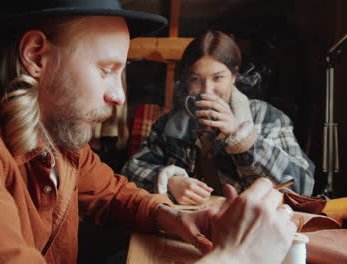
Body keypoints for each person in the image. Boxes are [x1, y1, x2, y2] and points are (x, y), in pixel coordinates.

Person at [0, 1, 296, 263]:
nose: (118, 96)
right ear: (36, 56)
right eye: (105, 70)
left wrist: (171, 217)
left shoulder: (57, 139)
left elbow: (113, 192)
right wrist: (239, 258)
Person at [122, 30, 315, 205]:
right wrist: (170, 181)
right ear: (186, 79)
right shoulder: (169, 124)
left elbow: (303, 186)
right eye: (196, 79)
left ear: (234, 74)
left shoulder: (267, 117)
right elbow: (130, 173)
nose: (207, 91)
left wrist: (242, 139)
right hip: (190, 228)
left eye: (218, 78)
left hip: (251, 230)